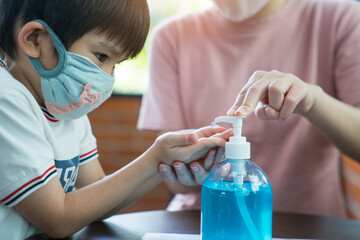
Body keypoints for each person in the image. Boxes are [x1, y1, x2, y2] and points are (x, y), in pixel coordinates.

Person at [0, 1, 233, 239]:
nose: (107, 78)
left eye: (115, 65)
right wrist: (154, 158)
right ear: (35, 40)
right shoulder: (6, 99)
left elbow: (98, 201)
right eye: (102, 56)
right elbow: (57, 219)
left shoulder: (64, 105)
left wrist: (168, 160)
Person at [138, 0, 360, 219]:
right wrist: (191, 168)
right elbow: (174, 179)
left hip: (308, 226)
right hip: (200, 223)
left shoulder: (341, 18)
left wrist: (314, 102)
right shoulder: (172, 36)